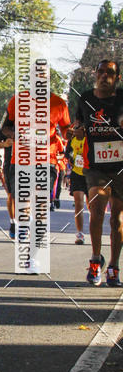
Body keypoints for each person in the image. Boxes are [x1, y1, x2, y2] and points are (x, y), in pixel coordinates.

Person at [71, 59, 123, 286]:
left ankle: (113, 266)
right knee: (96, 211)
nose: (104, 76)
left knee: (117, 219)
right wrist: (78, 130)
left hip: (121, 166)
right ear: (95, 74)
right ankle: (95, 260)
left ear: (117, 77)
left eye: (109, 72)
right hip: (95, 166)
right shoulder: (85, 98)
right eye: (100, 71)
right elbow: (78, 124)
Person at [1, 90, 70, 248]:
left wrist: (71, 133)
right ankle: (25, 226)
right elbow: (5, 128)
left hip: (47, 159)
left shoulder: (59, 104)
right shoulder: (17, 100)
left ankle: (38, 231)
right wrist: (17, 135)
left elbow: (66, 130)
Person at [65, 133, 88, 244]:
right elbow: (68, 153)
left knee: (93, 206)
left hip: (91, 174)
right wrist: (70, 158)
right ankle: (80, 233)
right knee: (78, 203)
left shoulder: (91, 136)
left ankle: (95, 231)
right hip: (77, 174)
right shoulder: (73, 138)